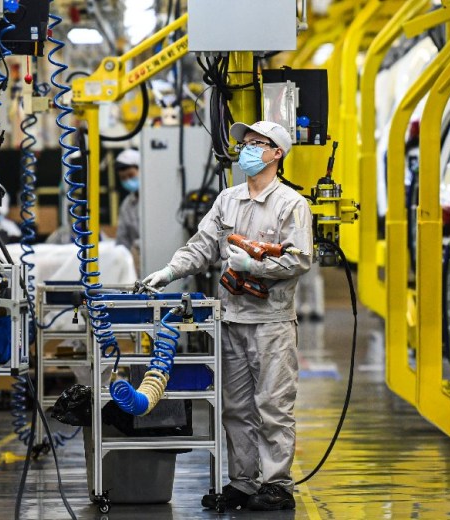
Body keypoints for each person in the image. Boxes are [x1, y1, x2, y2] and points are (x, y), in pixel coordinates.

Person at [142, 121, 313, 511]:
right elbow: (202, 245)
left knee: (273, 406)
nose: (246, 150)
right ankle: (243, 481)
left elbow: (300, 258)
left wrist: (255, 267)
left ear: (277, 153)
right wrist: (171, 270)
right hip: (232, 319)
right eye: (245, 144)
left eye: (256, 144)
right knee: (235, 407)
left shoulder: (291, 204)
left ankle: (276, 484)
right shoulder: (227, 200)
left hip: (271, 322)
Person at [114, 148, 141, 256]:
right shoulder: (127, 205)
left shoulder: (156, 199)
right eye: (123, 178)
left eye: (131, 175)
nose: (128, 180)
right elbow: (122, 240)